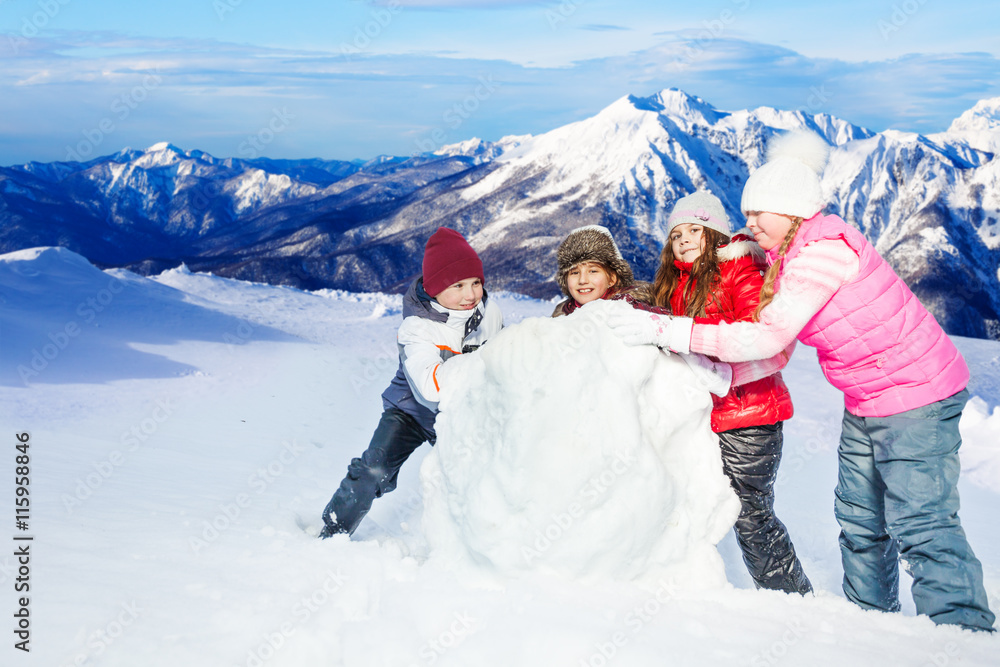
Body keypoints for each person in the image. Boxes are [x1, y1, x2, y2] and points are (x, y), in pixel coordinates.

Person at [608, 130, 995, 631]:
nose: (748, 223)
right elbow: (745, 273)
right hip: (866, 396)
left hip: (917, 393)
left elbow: (767, 336)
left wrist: (667, 330)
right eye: (744, 215)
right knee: (858, 517)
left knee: (921, 522)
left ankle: (962, 636)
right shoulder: (790, 251)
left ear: (791, 212)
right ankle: (873, 625)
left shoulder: (823, 252)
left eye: (757, 214)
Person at [654, 190, 811, 595]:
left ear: (716, 236)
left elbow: (756, 335)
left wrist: (697, 349)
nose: (685, 239)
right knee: (699, 501)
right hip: (708, 418)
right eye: (676, 234)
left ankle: (790, 598)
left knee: (749, 512)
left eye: (695, 230)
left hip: (750, 415)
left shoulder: (740, 271)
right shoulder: (676, 284)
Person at [319, 227, 503, 538]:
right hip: (410, 413)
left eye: (475, 283)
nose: (470, 294)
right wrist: (477, 361)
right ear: (435, 288)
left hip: (461, 412)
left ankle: (473, 544)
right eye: (457, 285)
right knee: (374, 469)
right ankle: (334, 527)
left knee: (478, 474)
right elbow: (432, 389)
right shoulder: (416, 329)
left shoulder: (488, 312)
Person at [551, 224, 653, 317]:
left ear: (612, 279)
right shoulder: (561, 315)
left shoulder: (633, 310)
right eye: (575, 273)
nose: (582, 280)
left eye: (593, 271)